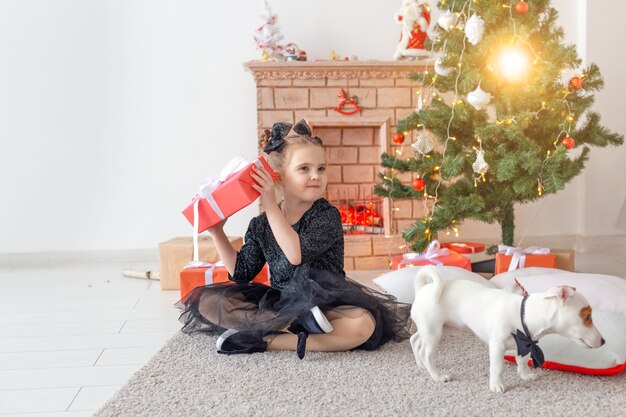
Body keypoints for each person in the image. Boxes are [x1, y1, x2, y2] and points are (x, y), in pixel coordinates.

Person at [178, 119, 410, 359]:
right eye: (304, 169)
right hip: (282, 302)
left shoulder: (325, 215)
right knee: (207, 302)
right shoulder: (260, 225)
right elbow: (241, 273)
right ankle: (290, 324)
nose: (315, 176)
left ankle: (268, 339)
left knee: (362, 325)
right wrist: (217, 232)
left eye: (321, 168)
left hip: (327, 302)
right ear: (278, 178)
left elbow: (295, 255)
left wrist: (269, 205)